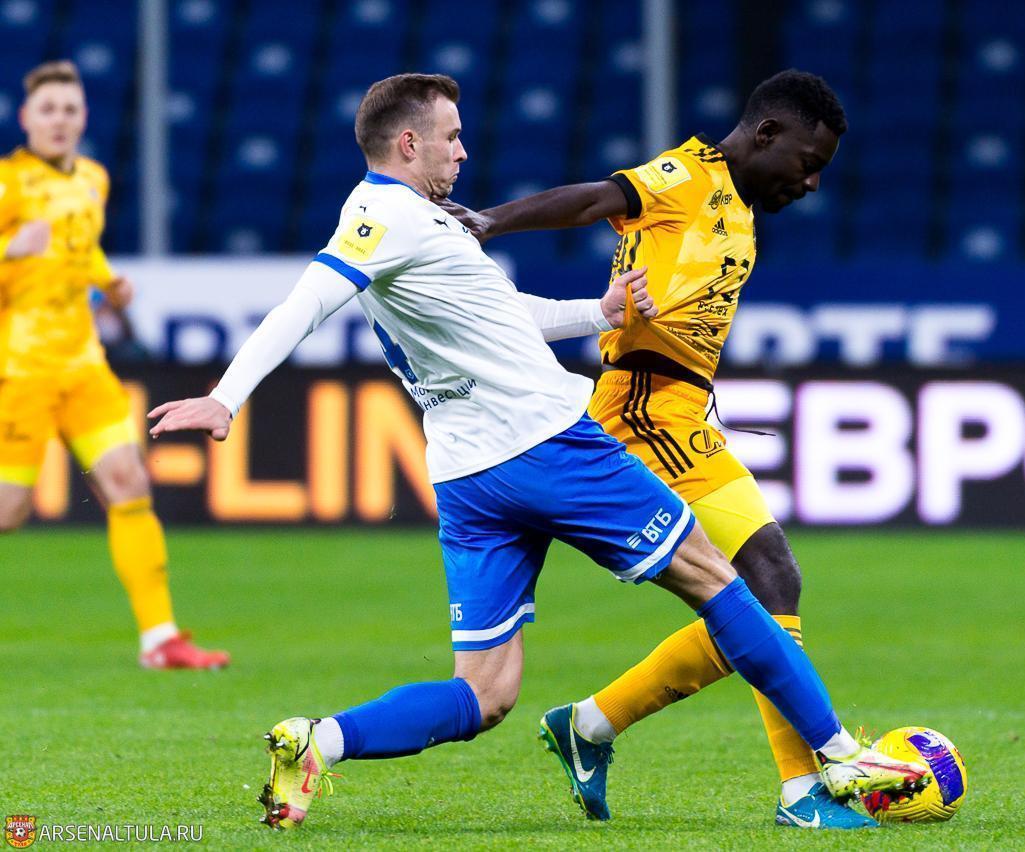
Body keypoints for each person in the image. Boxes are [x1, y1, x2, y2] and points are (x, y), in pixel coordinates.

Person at [146, 72, 927, 831]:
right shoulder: (385, 217)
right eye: (451, 137)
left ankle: (320, 739)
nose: (463, 152)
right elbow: (309, 299)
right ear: (409, 143)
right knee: (724, 582)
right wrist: (227, 396)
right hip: (548, 444)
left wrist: (599, 312)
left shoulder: (422, 227)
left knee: (485, 694)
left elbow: (499, 312)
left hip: (467, 477)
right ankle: (836, 758)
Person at [438, 69, 864, 829]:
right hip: (642, 408)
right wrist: (490, 222)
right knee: (765, 578)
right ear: (766, 133)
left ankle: (591, 724)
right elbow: (597, 199)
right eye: (807, 163)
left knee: (767, 587)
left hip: (682, 414)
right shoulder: (687, 175)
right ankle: (804, 791)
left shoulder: (736, 203)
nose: (811, 183)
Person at [0, 60, 227, 670]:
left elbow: (81, 251)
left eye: (70, 109)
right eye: (48, 109)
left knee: (129, 483)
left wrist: (110, 283)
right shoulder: (7, 184)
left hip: (83, 366)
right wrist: (7, 249)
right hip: (20, 372)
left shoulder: (93, 179)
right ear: (25, 118)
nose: (59, 120)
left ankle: (161, 640)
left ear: (83, 119)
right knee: (8, 512)